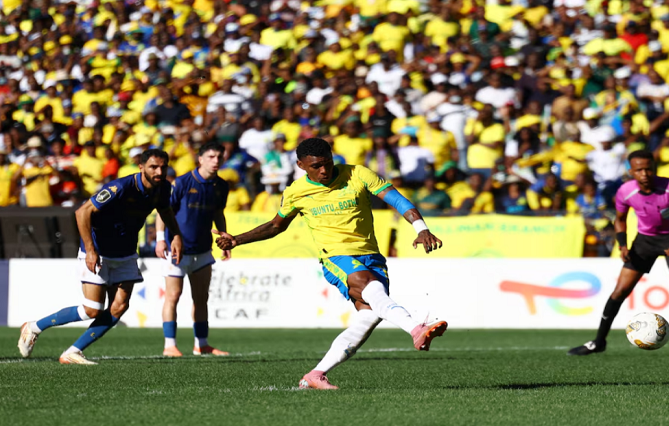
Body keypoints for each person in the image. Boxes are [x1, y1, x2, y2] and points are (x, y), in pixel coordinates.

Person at [213, 138, 448, 390]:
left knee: (369, 317)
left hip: (371, 255)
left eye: (327, 163)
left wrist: (421, 229)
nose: (324, 170)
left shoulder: (358, 174)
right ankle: (415, 329)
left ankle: (315, 375)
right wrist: (237, 240)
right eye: (316, 166)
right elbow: (275, 226)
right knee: (368, 285)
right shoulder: (296, 192)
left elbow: (397, 200)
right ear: (301, 165)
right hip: (335, 257)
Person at [17, 149, 183, 364]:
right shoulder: (120, 187)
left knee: (119, 306)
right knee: (92, 309)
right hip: (98, 250)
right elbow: (82, 212)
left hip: (126, 252)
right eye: (153, 167)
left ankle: (73, 352)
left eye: (163, 167)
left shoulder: (163, 188)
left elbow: (165, 211)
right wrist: (90, 250)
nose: (159, 172)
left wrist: (175, 235)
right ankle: (33, 327)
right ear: (141, 167)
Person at [568, 150, 669, 357]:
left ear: (654, 168)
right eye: (639, 170)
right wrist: (622, 245)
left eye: (648, 169)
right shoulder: (625, 191)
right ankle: (598, 342)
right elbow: (620, 219)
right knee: (620, 291)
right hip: (644, 242)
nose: (644, 174)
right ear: (631, 171)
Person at [156, 142, 231, 357]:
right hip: (177, 250)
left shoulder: (221, 186)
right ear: (200, 159)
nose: (215, 161)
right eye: (211, 156)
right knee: (173, 295)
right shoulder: (182, 182)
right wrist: (160, 239)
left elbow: (218, 213)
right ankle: (169, 345)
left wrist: (225, 238)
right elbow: (164, 211)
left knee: (201, 298)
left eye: (219, 157)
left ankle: (202, 344)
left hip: (203, 249)